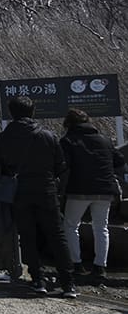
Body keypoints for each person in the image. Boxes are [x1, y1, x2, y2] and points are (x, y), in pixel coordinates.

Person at [0, 96, 76, 297]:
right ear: (32, 112)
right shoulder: (48, 135)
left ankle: (38, 279)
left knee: (27, 235)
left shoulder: (2, 138)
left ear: (11, 113)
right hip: (46, 189)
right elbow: (60, 166)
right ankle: (68, 283)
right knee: (57, 235)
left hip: (19, 192)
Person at [59, 108, 125, 283]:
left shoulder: (68, 140)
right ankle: (100, 267)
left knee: (71, 225)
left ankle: (76, 264)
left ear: (69, 123)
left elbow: (62, 165)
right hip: (104, 190)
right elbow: (119, 161)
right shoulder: (104, 139)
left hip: (79, 190)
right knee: (101, 227)